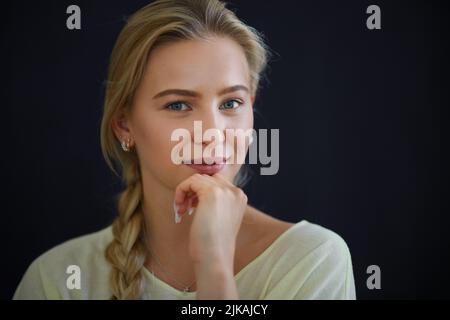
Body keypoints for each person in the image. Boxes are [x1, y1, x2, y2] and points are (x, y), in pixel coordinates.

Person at [13, 0, 356, 300]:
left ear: (251, 106)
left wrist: (213, 261)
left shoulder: (312, 261)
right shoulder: (59, 278)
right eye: (178, 105)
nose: (211, 133)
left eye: (231, 102)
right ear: (125, 125)